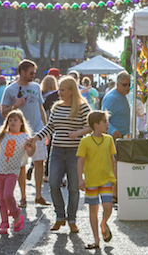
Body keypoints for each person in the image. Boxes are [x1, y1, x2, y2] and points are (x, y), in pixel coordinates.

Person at [31, 76, 91, 233]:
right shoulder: (56, 107)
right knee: (53, 183)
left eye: (62, 89)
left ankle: (71, 219)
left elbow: (90, 126)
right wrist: (36, 137)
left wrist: (78, 132)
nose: (59, 92)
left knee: (73, 187)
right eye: (59, 89)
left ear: (71, 90)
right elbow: (50, 127)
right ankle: (60, 216)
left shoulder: (83, 107)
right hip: (56, 150)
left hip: (75, 152)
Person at [2, 59, 49, 207]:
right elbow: (3, 113)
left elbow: (41, 108)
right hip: (19, 133)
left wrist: (46, 128)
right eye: (31, 72)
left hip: (37, 131)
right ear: (22, 72)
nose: (33, 75)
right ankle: (23, 197)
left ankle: (39, 195)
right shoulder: (10, 89)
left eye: (34, 72)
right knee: (21, 165)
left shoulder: (36, 86)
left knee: (39, 162)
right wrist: (15, 105)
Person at [77, 111, 117, 250]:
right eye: (104, 122)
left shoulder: (109, 139)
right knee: (93, 210)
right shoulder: (85, 141)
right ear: (96, 125)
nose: (107, 124)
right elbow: (80, 161)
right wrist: (80, 179)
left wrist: (115, 177)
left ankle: (103, 223)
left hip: (106, 178)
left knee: (108, 207)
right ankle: (96, 239)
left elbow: (113, 159)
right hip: (91, 180)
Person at [101, 71, 131, 139]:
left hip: (123, 137)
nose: (127, 87)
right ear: (117, 84)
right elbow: (103, 118)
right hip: (113, 138)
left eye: (129, 85)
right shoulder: (111, 98)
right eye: (124, 85)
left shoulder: (122, 95)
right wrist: (113, 131)